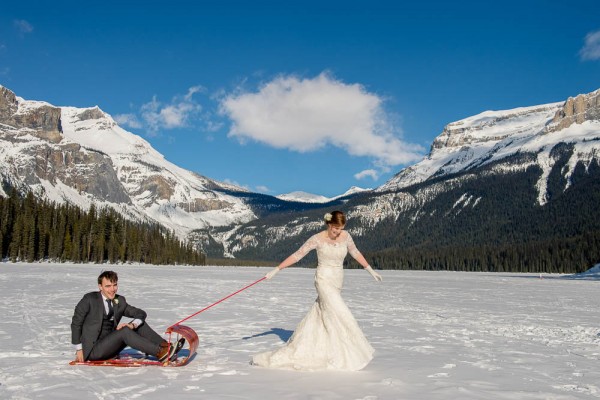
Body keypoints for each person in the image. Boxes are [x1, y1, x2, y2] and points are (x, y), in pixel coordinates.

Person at [252, 210, 382, 371]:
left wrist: (370, 270)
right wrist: (277, 269)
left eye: (340, 229)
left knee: (324, 313)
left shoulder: (346, 236)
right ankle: (349, 352)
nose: (337, 232)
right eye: (335, 229)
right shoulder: (317, 239)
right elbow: (298, 255)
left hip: (337, 279)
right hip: (323, 279)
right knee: (341, 312)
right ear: (329, 224)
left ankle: (323, 348)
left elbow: (355, 252)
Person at [71, 270, 184, 362]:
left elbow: (141, 313)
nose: (112, 289)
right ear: (100, 287)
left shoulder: (119, 301)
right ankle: (160, 352)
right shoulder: (89, 299)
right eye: (108, 286)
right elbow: (76, 323)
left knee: (139, 324)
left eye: (115, 285)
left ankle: (166, 347)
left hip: (110, 347)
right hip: (92, 350)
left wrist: (133, 325)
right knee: (124, 331)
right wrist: (79, 349)